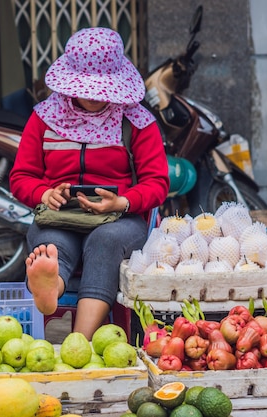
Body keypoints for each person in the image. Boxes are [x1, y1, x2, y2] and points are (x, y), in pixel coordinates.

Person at [9, 27, 169, 340]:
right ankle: (49, 287)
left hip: (120, 218)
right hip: (60, 216)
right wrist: (44, 193)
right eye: (87, 88)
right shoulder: (44, 118)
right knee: (51, 247)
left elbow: (157, 182)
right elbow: (20, 177)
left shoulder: (136, 121)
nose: (95, 97)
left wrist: (123, 202)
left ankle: (78, 340)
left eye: (102, 90)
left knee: (104, 242)